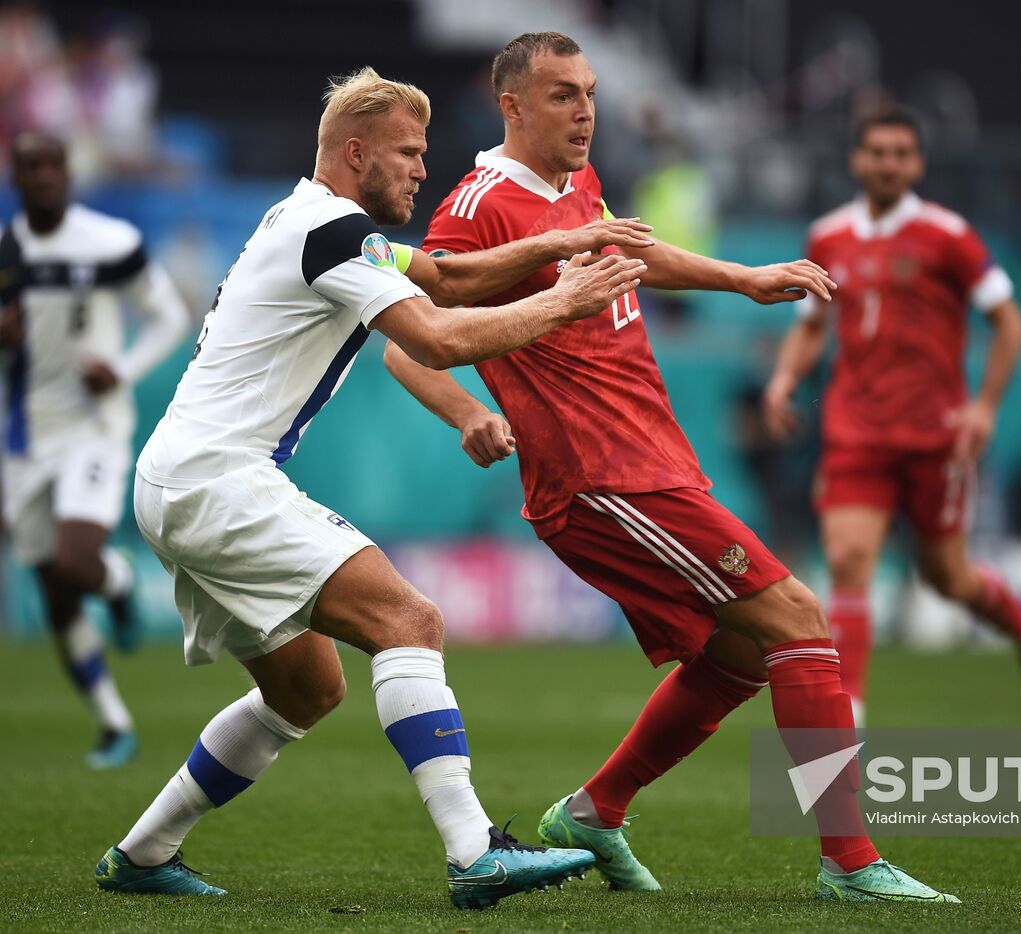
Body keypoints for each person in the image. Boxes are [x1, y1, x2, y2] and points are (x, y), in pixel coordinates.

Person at [386, 32, 957, 904]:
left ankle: (595, 810)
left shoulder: (577, 183)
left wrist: (743, 277)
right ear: (511, 105)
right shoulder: (477, 207)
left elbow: (633, 258)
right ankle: (850, 860)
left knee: (741, 652)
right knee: (801, 620)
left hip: (651, 462)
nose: (584, 111)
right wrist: (470, 412)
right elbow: (408, 338)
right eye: (561, 96)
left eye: (588, 92)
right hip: (599, 478)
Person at [93, 66, 648, 909]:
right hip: (218, 479)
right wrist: (564, 302)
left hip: (178, 477)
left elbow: (448, 279)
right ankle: (475, 854)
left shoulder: (317, 223)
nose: (423, 169)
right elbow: (435, 336)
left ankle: (143, 853)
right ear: (356, 155)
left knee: (307, 689)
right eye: (408, 153)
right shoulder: (335, 232)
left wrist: (548, 246)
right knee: (409, 619)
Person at [762, 112, 1021, 725]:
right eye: (877, 152)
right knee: (848, 560)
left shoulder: (948, 236)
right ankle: (850, 716)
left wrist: (984, 407)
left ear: (918, 165)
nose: (888, 163)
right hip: (856, 434)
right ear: (856, 161)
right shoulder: (827, 237)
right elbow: (812, 326)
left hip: (935, 438)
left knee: (947, 577)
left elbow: (1010, 322)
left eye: (901, 153)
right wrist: (784, 379)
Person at [0, 131, 187, 769]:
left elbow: (168, 317)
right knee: (52, 590)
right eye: (32, 168)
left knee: (78, 563)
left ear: (68, 172)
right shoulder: (6, 253)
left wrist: (123, 368)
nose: (45, 176)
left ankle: (119, 581)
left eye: (55, 164)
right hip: (24, 440)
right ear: (16, 177)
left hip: (93, 427)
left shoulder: (110, 243)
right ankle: (113, 723)